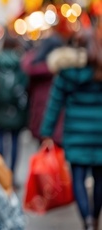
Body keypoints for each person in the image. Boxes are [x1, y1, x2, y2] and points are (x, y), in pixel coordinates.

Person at [41, 27, 102, 230]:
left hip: (76, 133)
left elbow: (55, 102)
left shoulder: (66, 70)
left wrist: (46, 131)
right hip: (100, 133)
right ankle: (95, 215)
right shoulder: (99, 67)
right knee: (100, 179)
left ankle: (87, 221)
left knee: (78, 178)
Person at [0, 32, 28, 175]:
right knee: (15, 140)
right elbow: (25, 83)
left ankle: (0, 173)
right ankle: (12, 173)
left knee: (0, 138)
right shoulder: (20, 61)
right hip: (16, 107)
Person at [20, 34, 65, 145]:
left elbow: (27, 88)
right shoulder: (63, 70)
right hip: (60, 118)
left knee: (44, 152)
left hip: (39, 113)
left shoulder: (34, 69)